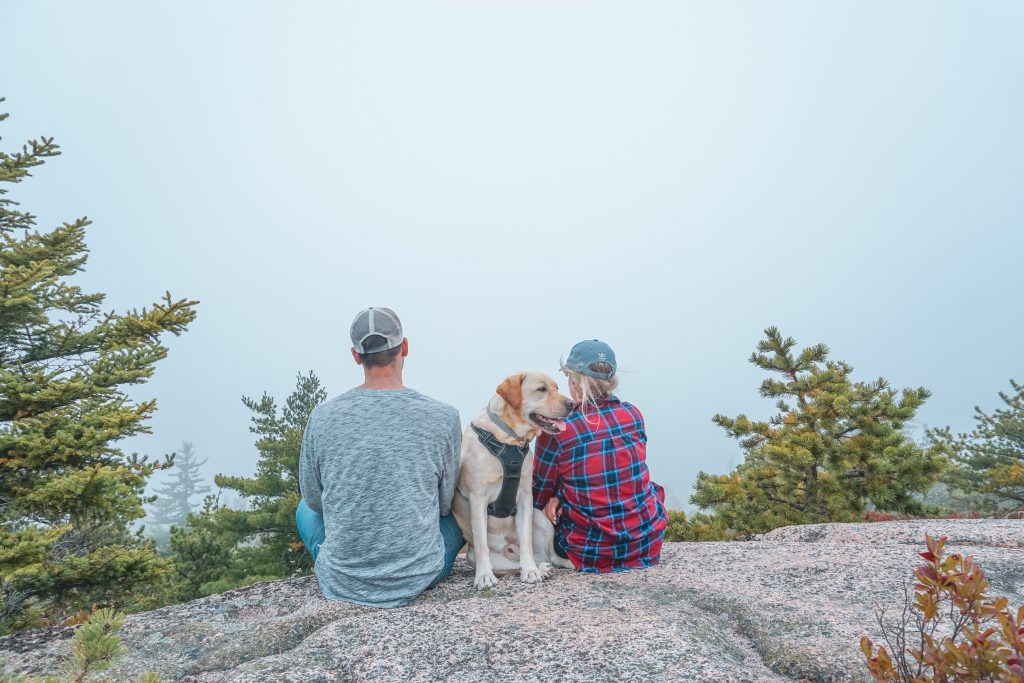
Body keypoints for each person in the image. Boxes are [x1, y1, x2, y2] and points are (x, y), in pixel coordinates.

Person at [296, 307, 464, 607]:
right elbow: (443, 504)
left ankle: (346, 563)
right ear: (406, 347)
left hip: (341, 581)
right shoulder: (445, 417)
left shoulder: (322, 417)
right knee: (459, 515)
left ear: (356, 355)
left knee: (303, 510)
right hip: (421, 575)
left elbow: (313, 499)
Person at [532, 339, 668, 573]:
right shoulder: (632, 414)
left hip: (591, 552)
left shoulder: (559, 428)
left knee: (540, 515)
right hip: (646, 545)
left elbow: (539, 493)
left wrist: (559, 498)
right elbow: (620, 476)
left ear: (574, 380)